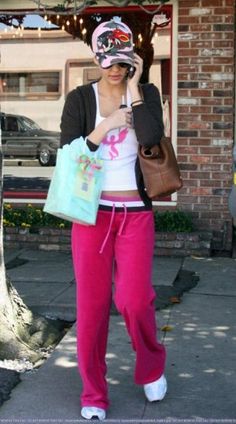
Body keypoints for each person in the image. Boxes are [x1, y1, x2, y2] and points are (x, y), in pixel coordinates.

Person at [60, 17, 167, 421]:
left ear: (132, 61)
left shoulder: (146, 94)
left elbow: (152, 137)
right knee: (91, 308)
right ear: (96, 57)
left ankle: (152, 364)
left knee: (133, 300)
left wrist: (136, 93)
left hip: (135, 215)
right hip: (92, 216)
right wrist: (103, 127)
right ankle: (94, 393)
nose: (115, 68)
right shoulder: (79, 99)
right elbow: (67, 152)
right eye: (108, 60)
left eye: (123, 61)